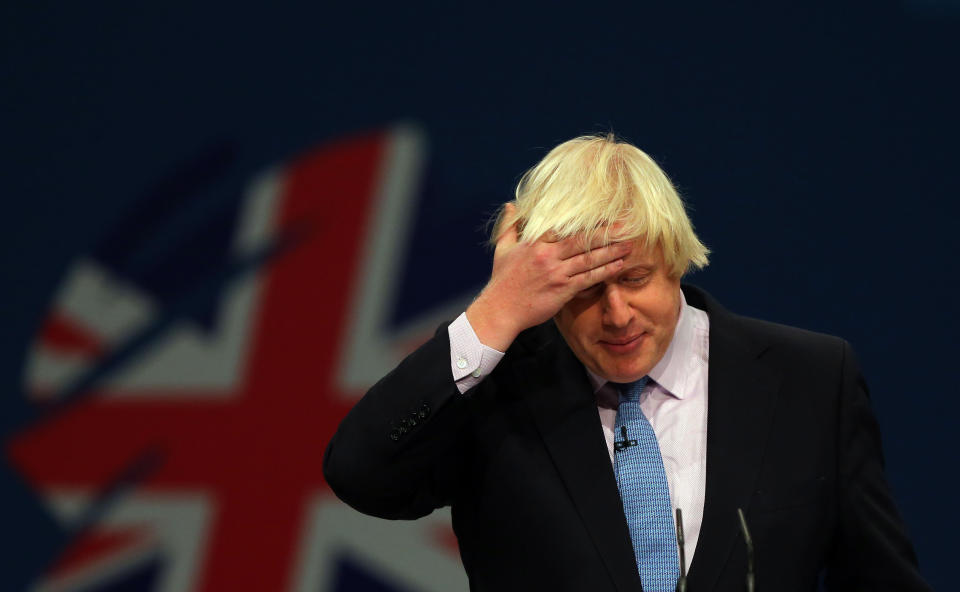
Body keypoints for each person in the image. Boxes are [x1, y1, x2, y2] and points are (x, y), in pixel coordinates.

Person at [323, 134, 930, 591]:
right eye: (583, 290)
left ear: (676, 257)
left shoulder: (810, 379)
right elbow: (361, 475)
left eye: (635, 278)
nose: (617, 315)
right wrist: (495, 313)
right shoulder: (498, 389)